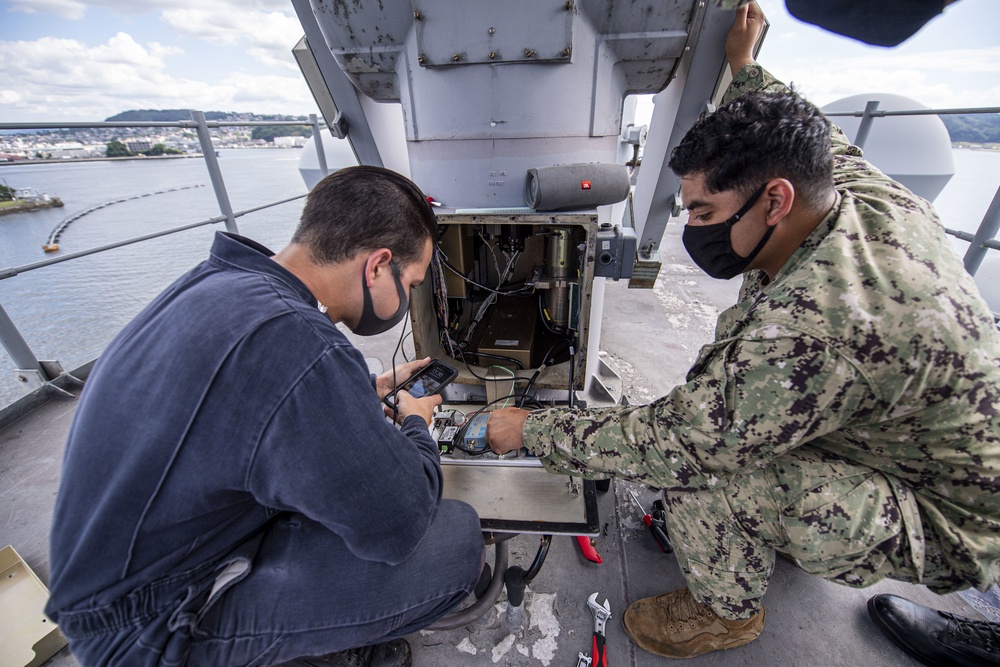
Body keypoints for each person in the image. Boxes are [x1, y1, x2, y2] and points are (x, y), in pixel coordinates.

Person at [487, 3, 1000, 662]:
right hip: (904, 440)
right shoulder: (846, 190)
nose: (693, 225)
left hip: (954, 520)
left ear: (776, 200)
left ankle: (724, 611)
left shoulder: (818, 327)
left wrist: (527, 430)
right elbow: (810, 128)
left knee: (710, 475)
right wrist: (744, 66)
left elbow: (683, 443)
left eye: (704, 210)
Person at [45, 166, 485, 667]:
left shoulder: (221, 282)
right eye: (410, 282)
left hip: (108, 582)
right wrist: (417, 422)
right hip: (148, 629)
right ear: (378, 266)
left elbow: (253, 405)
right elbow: (400, 522)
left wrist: (361, 393)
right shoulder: (303, 345)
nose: (406, 300)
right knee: (454, 541)